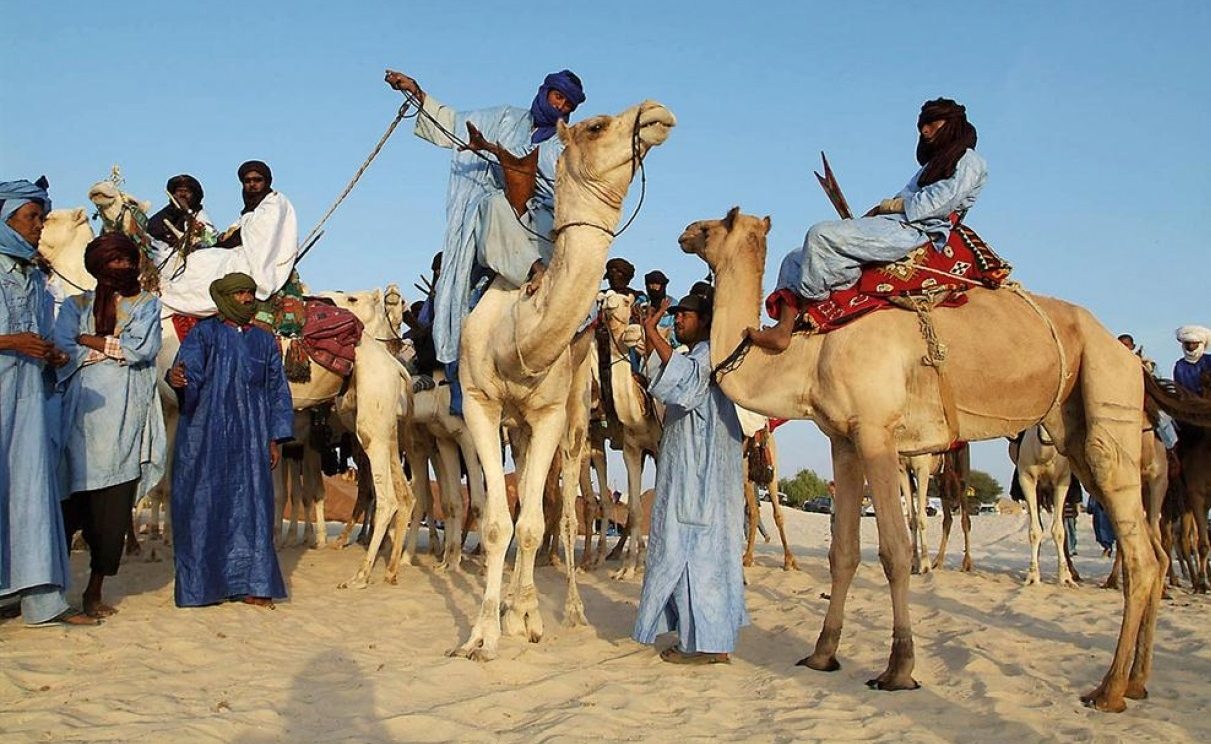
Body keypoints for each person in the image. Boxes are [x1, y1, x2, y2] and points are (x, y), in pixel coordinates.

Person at [383, 67, 586, 371]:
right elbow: (456, 124)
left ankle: (539, 273)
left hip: (540, 221)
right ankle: (450, 363)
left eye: (568, 104)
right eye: (558, 97)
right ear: (545, 92)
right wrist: (416, 93)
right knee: (458, 287)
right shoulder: (504, 119)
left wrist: (494, 152)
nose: (561, 106)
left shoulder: (566, 144)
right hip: (492, 223)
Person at [751, 98, 987, 351]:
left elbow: (937, 204)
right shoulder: (931, 167)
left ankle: (817, 306)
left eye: (931, 123)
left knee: (819, 236)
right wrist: (875, 215)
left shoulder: (969, 161)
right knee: (795, 258)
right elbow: (905, 199)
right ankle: (783, 329)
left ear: (951, 123)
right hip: (895, 223)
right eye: (922, 126)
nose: (925, 131)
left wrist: (886, 207)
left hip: (917, 230)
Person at [0, 178, 97, 626]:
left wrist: (52, 353)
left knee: (32, 491)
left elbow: (39, 335)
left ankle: (41, 598)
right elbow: (17, 337)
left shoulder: (37, 279)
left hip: (30, 399)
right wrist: (11, 341)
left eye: (41, 217)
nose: (38, 225)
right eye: (31, 217)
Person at [53, 233, 165, 617]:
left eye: (127, 260)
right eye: (114, 261)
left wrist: (91, 341)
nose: (122, 267)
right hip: (79, 419)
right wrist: (111, 348)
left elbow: (142, 348)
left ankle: (93, 592)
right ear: (99, 266)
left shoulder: (147, 304)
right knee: (66, 509)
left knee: (111, 514)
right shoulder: (75, 305)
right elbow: (63, 350)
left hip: (124, 421)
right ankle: (52, 595)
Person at [632, 293, 747, 664]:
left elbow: (689, 381)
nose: (679, 320)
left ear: (705, 319)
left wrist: (653, 332)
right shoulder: (694, 354)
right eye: (677, 314)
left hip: (701, 480)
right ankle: (698, 640)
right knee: (682, 551)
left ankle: (706, 646)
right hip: (688, 473)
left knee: (695, 555)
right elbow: (665, 381)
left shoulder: (710, 353)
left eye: (686, 315)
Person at [167, 273, 293, 608]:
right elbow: (188, 373)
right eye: (240, 294)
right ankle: (201, 588)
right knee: (203, 504)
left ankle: (255, 585)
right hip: (206, 433)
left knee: (254, 507)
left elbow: (278, 391)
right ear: (224, 298)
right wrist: (178, 379)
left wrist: (275, 438)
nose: (247, 299)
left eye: (250, 293)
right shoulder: (203, 334)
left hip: (253, 437)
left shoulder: (264, 341)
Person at [159, 161, 298, 317]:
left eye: (257, 180)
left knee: (206, 262)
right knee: (197, 258)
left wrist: (221, 244)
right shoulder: (253, 207)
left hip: (261, 257)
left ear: (267, 181)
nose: (252, 184)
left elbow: (258, 235)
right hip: (241, 249)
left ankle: (183, 299)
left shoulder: (274, 203)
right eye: (247, 181)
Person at [146, 173, 216, 251]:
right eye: (179, 191)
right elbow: (150, 231)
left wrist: (187, 213)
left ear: (195, 196)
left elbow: (211, 241)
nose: (182, 195)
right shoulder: (165, 213)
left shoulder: (200, 216)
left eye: (187, 191)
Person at [1173, 325, 1211, 396]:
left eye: (1194, 343)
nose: (1190, 346)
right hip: (1189, 400)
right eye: (1187, 343)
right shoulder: (1179, 366)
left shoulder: (1209, 360)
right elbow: (1178, 388)